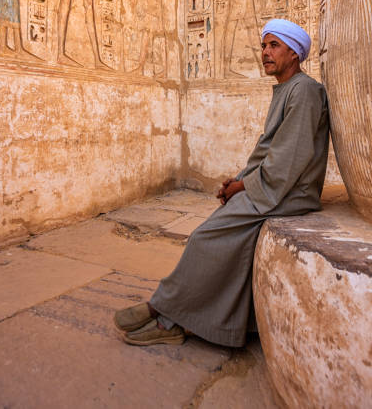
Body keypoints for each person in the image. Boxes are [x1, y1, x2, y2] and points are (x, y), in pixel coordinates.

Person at [114, 18, 330, 347]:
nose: (265, 52)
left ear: (294, 53)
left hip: (289, 193)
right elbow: (268, 150)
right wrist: (240, 179)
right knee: (225, 239)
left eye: (274, 46)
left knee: (205, 238)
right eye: (263, 46)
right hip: (272, 187)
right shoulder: (287, 89)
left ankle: (166, 314)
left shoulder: (305, 91)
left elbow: (287, 161)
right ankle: (180, 315)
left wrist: (243, 187)